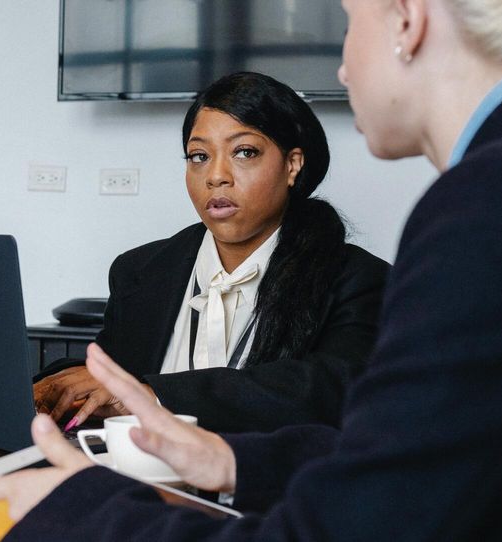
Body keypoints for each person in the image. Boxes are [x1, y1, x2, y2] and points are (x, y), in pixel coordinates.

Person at [0, 0, 502, 539]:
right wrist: (229, 458)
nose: (344, 70)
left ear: (407, 21)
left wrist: (76, 513)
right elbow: (430, 457)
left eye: (349, 20)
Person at [33, 72, 389, 434]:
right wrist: (59, 385)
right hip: (131, 481)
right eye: (199, 156)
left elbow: (329, 392)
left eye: (244, 152)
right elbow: (106, 374)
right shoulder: (140, 271)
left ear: (292, 165)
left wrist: (154, 396)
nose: (216, 176)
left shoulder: (357, 279)